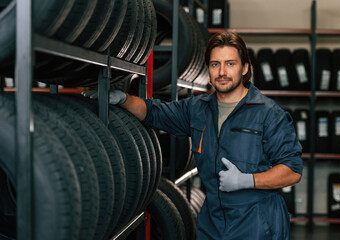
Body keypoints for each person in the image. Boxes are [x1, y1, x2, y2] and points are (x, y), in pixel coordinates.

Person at [83, 32, 303, 240]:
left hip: (257, 225)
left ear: (245, 68)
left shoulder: (269, 114)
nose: (222, 72)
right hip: (213, 224)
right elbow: (154, 112)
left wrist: (248, 180)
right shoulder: (198, 109)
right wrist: (123, 99)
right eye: (215, 64)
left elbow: (292, 171)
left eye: (230, 64)